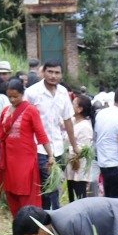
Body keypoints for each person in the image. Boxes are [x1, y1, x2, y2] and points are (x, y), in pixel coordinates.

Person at [0, 77, 48, 215]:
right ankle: (18, 220)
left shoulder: (31, 110)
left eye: (16, 96)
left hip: (25, 158)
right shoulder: (6, 110)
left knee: (26, 190)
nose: (12, 100)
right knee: (10, 189)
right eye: (10, 97)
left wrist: (51, 155)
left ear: (22, 94)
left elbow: (41, 134)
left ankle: (31, 220)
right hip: (8, 158)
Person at [24, 60, 75, 209]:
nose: (53, 76)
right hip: (39, 147)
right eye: (50, 72)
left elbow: (67, 120)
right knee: (48, 183)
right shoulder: (32, 92)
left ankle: (48, 216)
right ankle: (53, 215)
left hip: (58, 147)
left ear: (61, 75)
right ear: (43, 72)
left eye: (57, 72)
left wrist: (74, 146)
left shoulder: (63, 92)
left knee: (54, 184)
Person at [95, 85, 118, 198]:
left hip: (103, 163)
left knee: (108, 197)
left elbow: (97, 135)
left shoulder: (101, 113)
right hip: (116, 165)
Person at [65, 91, 96, 202]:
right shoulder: (73, 121)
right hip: (70, 165)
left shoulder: (85, 127)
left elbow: (83, 149)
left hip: (78, 167)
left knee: (79, 197)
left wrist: (69, 148)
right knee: (71, 196)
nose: (70, 106)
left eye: (73, 104)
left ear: (80, 109)